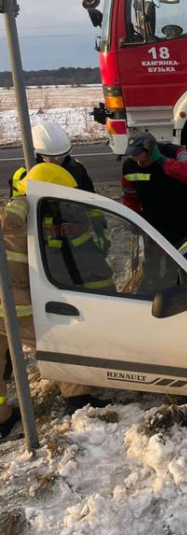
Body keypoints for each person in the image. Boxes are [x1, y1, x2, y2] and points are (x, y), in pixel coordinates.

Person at [0, 163, 110, 438]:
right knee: (60, 342)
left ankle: (1, 418)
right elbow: (15, 225)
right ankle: (77, 398)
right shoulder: (23, 208)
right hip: (12, 302)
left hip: (8, 297)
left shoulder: (28, 207)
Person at [121, 132, 187, 247]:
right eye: (133, 156)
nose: (138, 163)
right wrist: (134, 220)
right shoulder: (129, 167)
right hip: (156, 228)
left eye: (140, 157)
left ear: (151, 151)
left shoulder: (176, 152)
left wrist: (161, 160)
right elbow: (130, 197)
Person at [9, 121, 96, 198]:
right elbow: (16, 205)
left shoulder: (77, 168)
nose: (58, 159)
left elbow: (91, 198)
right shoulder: (23, 174)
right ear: (39, 155)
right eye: (52, 157)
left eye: (62, 155)